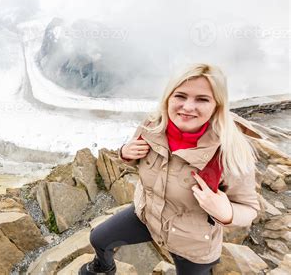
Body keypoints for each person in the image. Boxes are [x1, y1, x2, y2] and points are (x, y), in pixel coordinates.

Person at [79, 63, 260, 275]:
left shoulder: (229, 151)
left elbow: (249, 209)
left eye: (202, 99)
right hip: (147, 217)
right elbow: (136, 158)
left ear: (217, 105)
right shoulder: (153, 125)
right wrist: (125, 153)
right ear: (168, 98)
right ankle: (103, 269)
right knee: (99, 238)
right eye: (180, 96)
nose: (188, 107)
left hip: (193, 244)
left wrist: (227, 213)